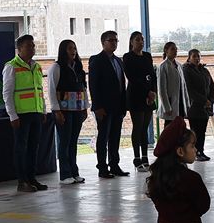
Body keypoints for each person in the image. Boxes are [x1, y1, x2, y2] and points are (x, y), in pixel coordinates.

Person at [4, 34, 49, 194]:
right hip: (21, 114)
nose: (32, 48)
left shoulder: (37, 66)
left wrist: (43, 110)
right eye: (28, 46)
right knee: (21, 149)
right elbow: (7, 93)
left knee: (33, 148)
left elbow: (39, 90)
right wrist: (12, 115)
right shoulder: (11, 66)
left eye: (33, 45)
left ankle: (31, 178)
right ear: (19, 49)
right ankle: (22, 181)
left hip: (36, 112)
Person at [47, 38, 88, 185]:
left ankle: (74, 172)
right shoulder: (56, 67)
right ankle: (65, 174)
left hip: (77, 108)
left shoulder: (78, 67)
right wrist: (56, 110)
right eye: (70, 48)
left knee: (73, 141)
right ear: (63, 51)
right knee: (64, 141)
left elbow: (83, 88)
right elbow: (52, 90)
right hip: (63, 110)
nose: (73, 51)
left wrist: (85, 107)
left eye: (74, 48)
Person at [89, 29, 129, 179]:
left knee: (115, 137)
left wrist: (124, 105)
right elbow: (93, 85)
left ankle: (114, 165)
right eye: (111, 40)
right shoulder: (97, 60)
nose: (114, 43)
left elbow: (121, 84)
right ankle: (102, 167)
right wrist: (97, 106)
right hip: (104, 107)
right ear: (103, 42)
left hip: (118, 106)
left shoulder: (118, 61)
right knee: (103, 137)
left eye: (116, 40)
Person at [124, 31, 158, 171]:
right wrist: (146, 91)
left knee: (145, 127)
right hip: (136, 95)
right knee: (137, 127)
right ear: (131, 42)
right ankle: (136, 158)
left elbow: (152, 75)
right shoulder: (128, 57)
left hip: (149, 96)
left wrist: (153, 91)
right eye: (137, 39)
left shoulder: (147, 56)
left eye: (142, 39)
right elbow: (132, 77)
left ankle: (145, 157)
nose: (141, 42)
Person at [182, 49, 214, 161]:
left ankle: (201, 151)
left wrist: (210, 100)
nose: (197, 58)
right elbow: (189, 90)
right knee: (195, 131)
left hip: (205, 107)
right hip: (194, 107)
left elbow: (212, 87)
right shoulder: (186, 70)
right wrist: (203, 100)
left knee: (202, 131)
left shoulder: (204, 70)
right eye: (194, 56)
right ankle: (195, 152)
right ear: (189, 58)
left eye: (198, 56)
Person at [156, 40, 188, 127]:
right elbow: (162, 89)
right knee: (170, 128)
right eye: (173, 49)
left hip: (180, 101)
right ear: (166, 51)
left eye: (176, 49)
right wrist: (167, 107)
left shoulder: (179, 65)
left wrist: (187, 103)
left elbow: (184, 86)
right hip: (170, 103)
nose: (175, 51)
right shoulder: (163, 66)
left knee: (180, 127)